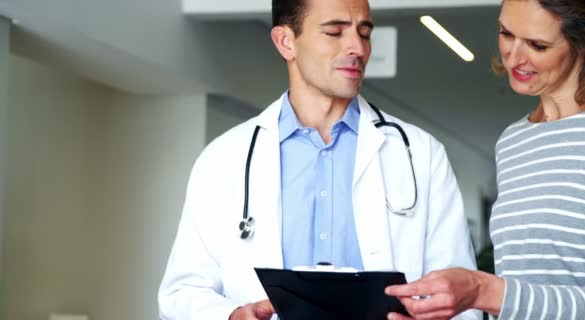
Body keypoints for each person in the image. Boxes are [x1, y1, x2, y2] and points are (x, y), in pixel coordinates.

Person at [158, 0, 480, 319]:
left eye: (364, 33)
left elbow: (464, 298)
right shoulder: (223, 159)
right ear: (286, 42)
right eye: (335, 31)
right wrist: (231, 316)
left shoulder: (420, 155)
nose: (357, 47)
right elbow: (181, 294)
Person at [386, 0, 585, 319]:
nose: (514, 57)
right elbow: (516, 296)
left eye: (537, 45)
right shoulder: (513, 141)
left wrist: (481, 290)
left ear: (584, 44)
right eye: (506, 33)